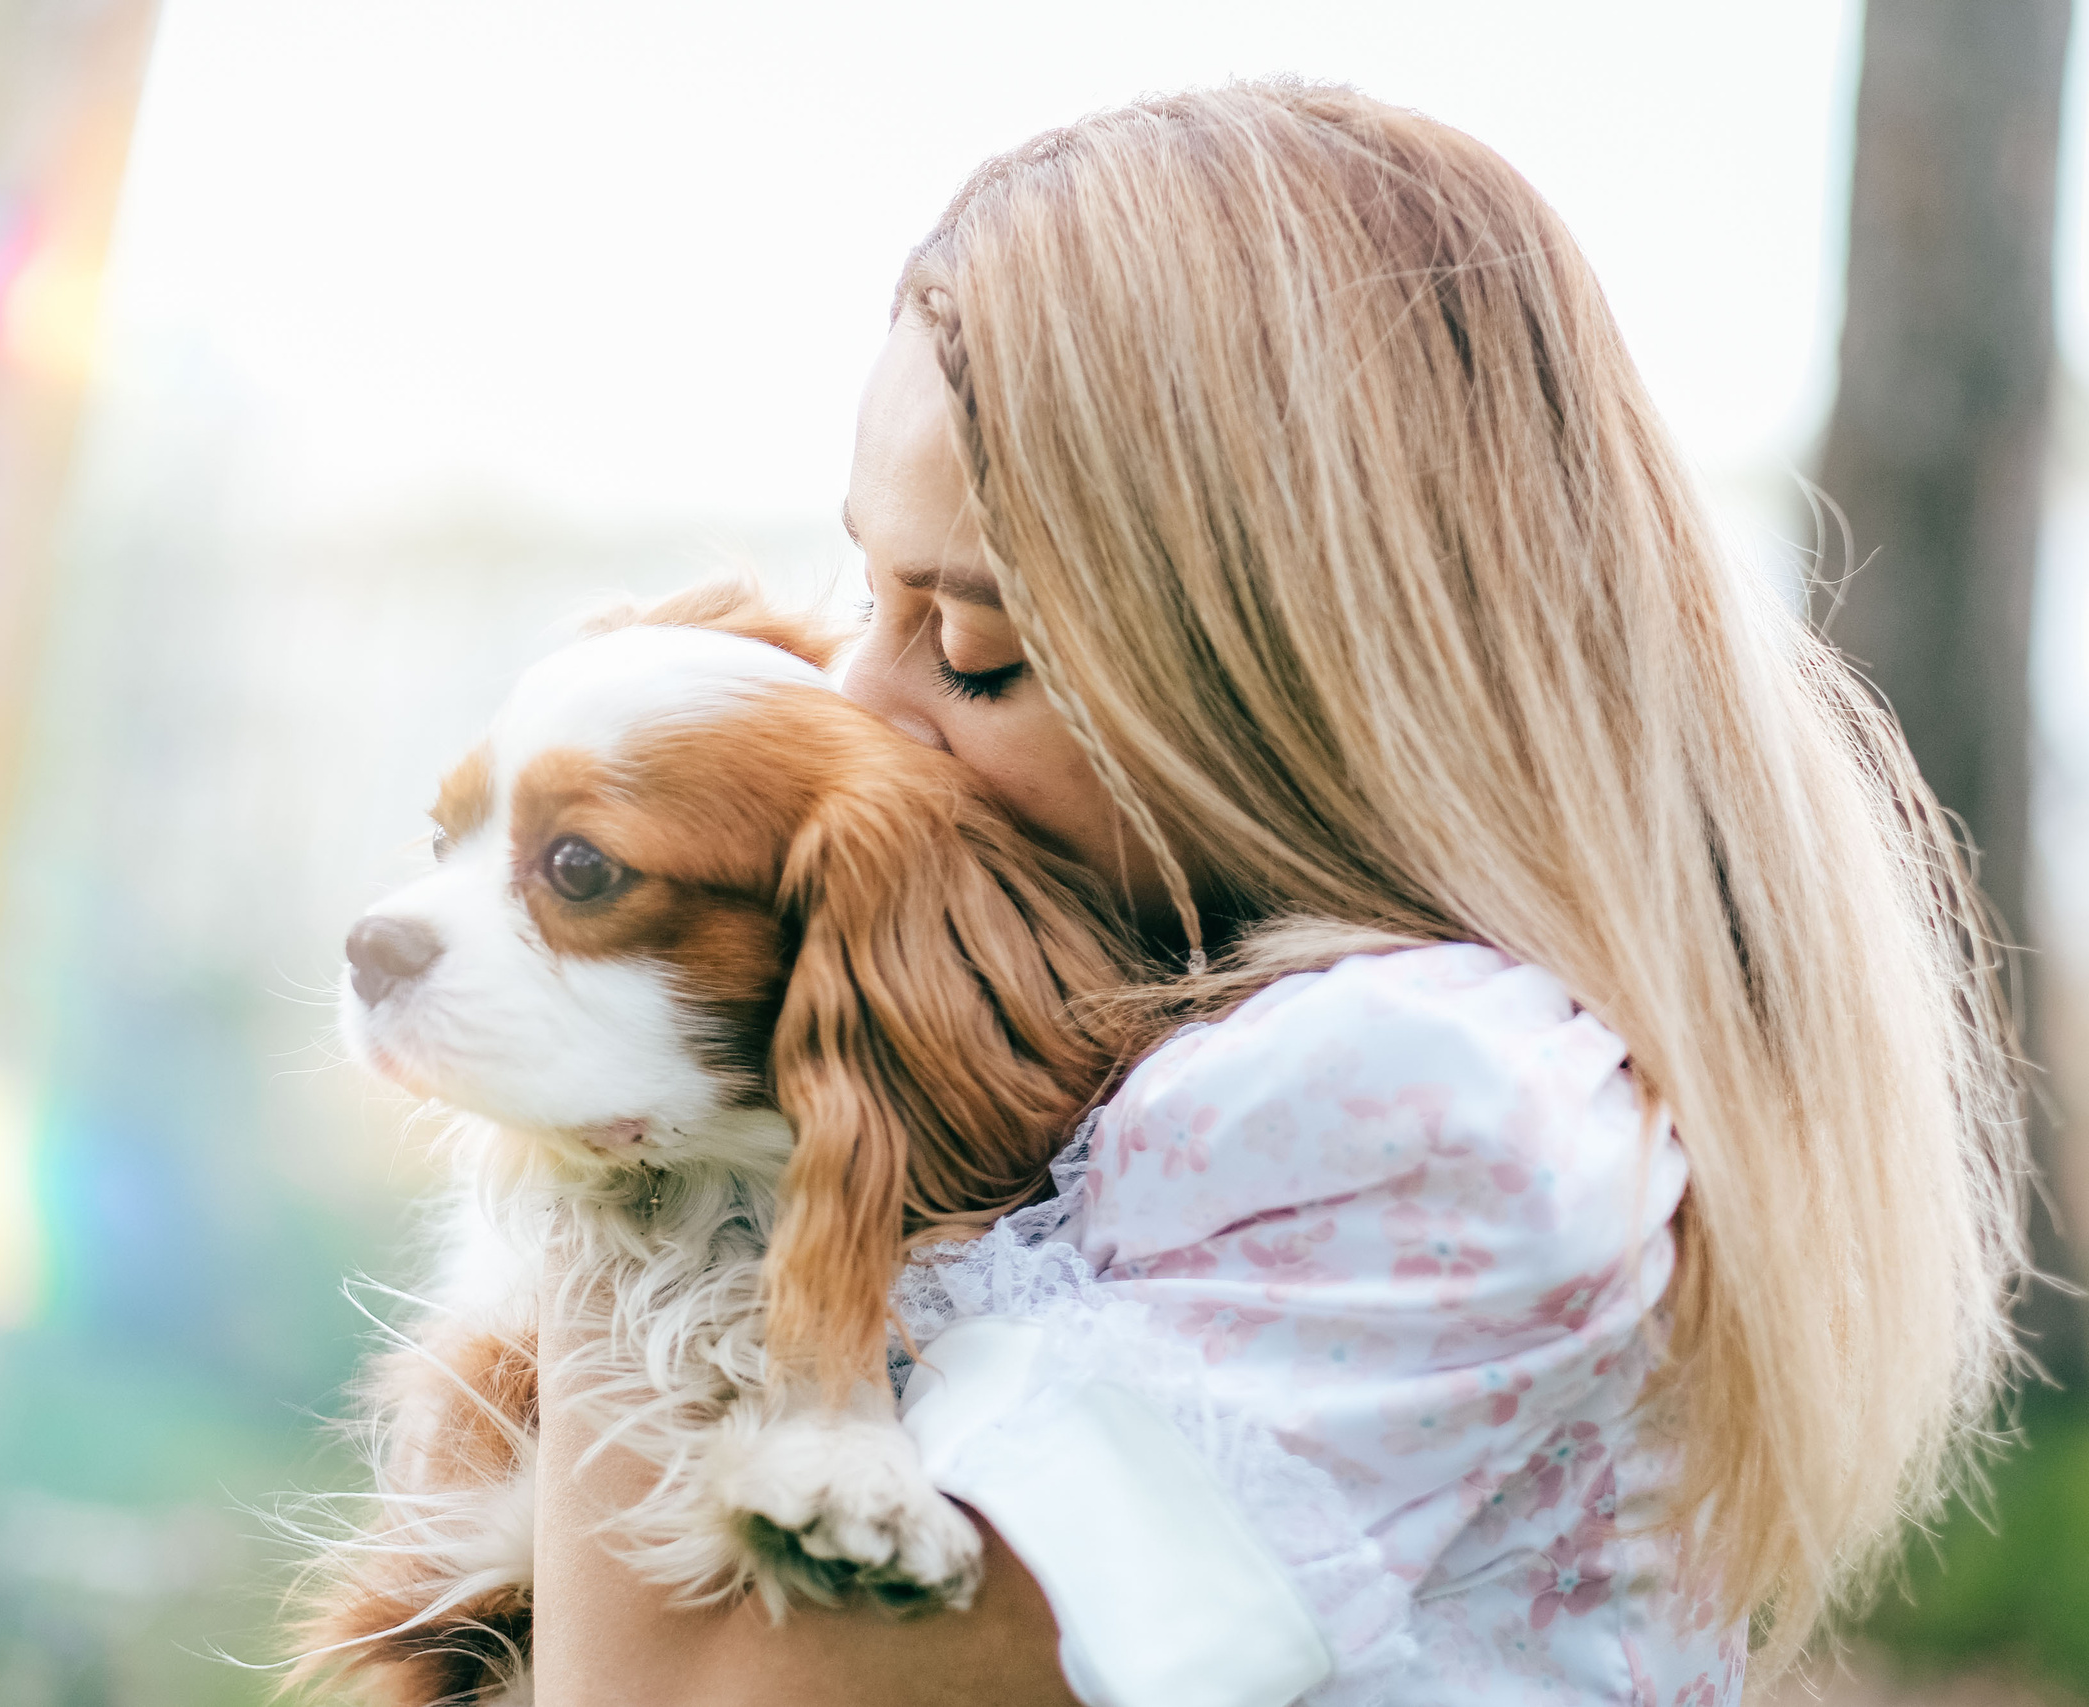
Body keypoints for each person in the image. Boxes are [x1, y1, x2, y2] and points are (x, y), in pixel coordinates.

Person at [530, 80, 2026, 1706]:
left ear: (1293, 682)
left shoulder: (1420, 1113)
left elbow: (685, 1688)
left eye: (973, 646)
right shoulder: (1201, 1038)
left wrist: (625, 1084)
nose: (862, 713)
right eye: (866, 595)